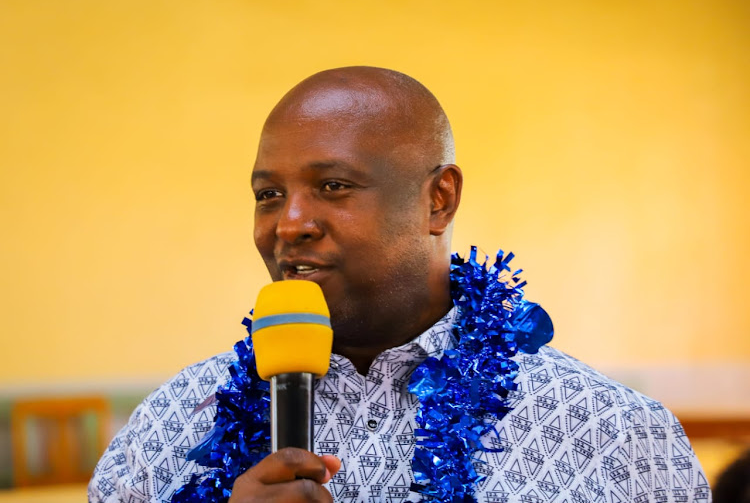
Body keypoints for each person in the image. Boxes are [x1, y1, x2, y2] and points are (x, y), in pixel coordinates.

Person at [89, 67, 710, 502]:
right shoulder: (168, 427)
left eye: (333, 186)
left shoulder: (612, 435)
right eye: (268, 195)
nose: (290, 224)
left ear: (438, 200)